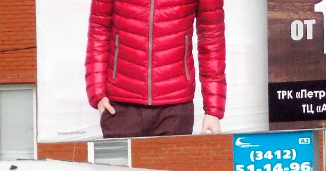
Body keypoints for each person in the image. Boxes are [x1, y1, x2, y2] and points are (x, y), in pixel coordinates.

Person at [84, 0, 226, 139]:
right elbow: (98, 32)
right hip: (121, 105)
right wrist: (97, 94)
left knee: (169, 163)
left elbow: (212, 40)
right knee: (119, 163)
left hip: (175, 106)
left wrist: (213, 109)